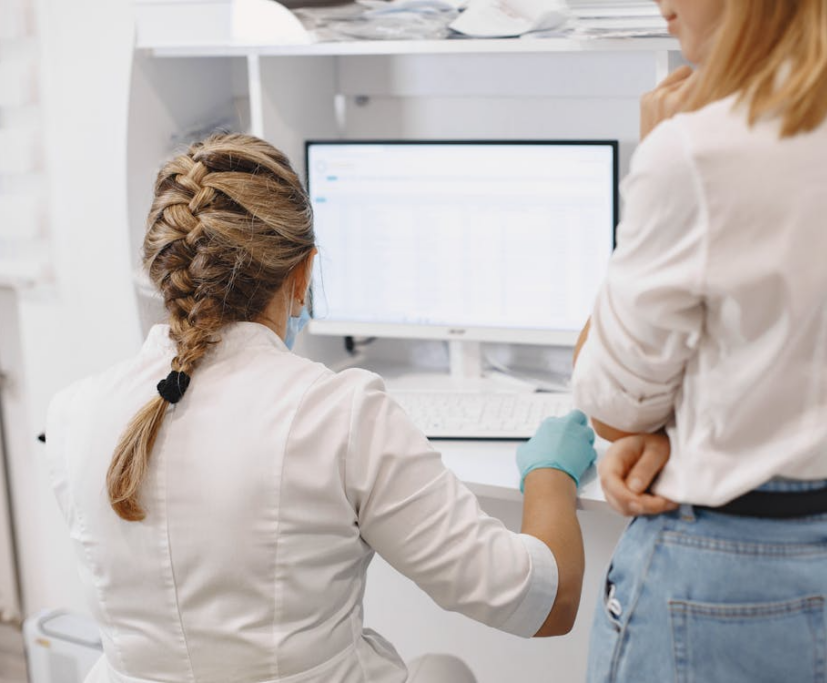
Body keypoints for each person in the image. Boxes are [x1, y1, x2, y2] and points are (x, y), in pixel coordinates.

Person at [43, 133, 604, 683]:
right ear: (303, 273)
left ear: (163, 272)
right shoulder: (340, 416)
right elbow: (548, 605)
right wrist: (550, 474)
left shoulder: (73, 415)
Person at [570, 0, 827, 681]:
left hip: (729, 580)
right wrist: (692, 429)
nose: (660, 3)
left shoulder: (699, 149)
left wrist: (654, 165)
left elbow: (613, 407)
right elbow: (809, 350)